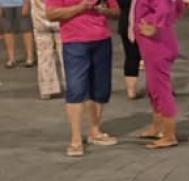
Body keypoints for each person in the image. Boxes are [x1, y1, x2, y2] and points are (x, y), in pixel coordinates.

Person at [46, 0, 119, 157]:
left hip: (102, 39)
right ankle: (76, 139)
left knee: (100, 88)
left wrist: (103, 10)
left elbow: (116, 12)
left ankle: (95, 131)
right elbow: (51, 14)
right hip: (74, 41)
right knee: (76, 89)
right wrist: (81, 7)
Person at [131, 0, 183, 148]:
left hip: (157, 46)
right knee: (154, 88)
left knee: (161, 90)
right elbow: (178, 6)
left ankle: (169, 136)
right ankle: (157, 127)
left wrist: (155, 26)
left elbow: (164, 8)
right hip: (158, 43)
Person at [30, 0, 64, 99]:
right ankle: (72, 85)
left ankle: (47, 89)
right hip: (59, 17)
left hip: (40, 18)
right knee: (66, 53)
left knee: (44, 55)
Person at [117, 0, 141, 98]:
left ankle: (131, 91)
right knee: (154, 58)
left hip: (127, 22)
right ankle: (160, 88)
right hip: (142, 22)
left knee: (131, 56)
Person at [1, 0, 35, 67]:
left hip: (22, 3)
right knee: (7, 30)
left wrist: (27, 2)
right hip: (4, 3)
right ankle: (11, 59)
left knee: (26, 28)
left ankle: (30, 58)